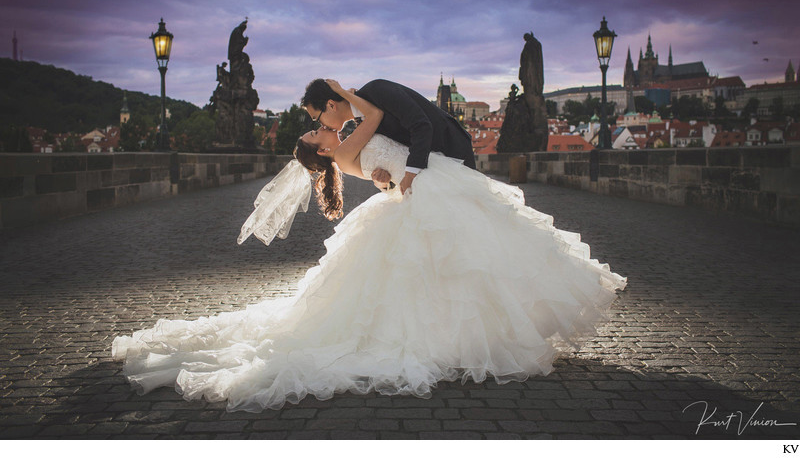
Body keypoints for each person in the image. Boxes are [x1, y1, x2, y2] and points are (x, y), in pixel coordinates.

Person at [112, 79, 626, 413]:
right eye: (316, 133)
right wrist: (346, 93)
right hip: (421, 185)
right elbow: (376, 122)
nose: (321, 129)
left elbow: (381, 171)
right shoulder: (345, 146)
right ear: (319, 151)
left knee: (461, 256)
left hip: (418, 184)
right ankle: (470, 334)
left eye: (319, 122)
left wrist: (385, 176)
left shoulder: (346, 146)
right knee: (462, 257)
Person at [301, 78, 475, 195]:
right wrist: (383, 183)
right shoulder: (362, 125)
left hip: (452, 152)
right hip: (430, 178)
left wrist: (411, 174)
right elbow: (395, 156)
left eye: (317, 118)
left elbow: (421, 125)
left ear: (331, 105)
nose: (321, 125)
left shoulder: (376, 90)